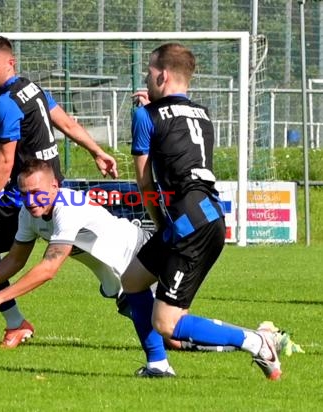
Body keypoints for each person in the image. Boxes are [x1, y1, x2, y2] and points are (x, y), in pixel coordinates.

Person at [0, 35, 118, 348]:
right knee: (60, 249)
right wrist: (97, 151)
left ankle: (10, 322)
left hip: (21, 195)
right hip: (50, 188)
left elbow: (5, 160)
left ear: (10, 61)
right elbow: (66, 122)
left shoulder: (5, 103)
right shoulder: (31, 88)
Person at [122, 42, 282, 379]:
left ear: (162, 75)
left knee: (167, 322)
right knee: (133, 282)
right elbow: (174, 126)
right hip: (206, 214)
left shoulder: (144, 116)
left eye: (150, 73)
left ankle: (257, 341)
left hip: (187, 224)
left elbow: (145, 184)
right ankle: (158, 365)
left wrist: (159, 224)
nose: (147, 79)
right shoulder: (203, 114)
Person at [0, 159, 149, 344]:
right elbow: (15, 260)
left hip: (144, 259)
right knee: (165, 335)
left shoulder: (68, 208)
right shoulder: (28, 214)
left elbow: (48, 269)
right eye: (24, 194)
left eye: (37, 193)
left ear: (54, 186)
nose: (30, 200)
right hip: (120, 281)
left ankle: (159, 368)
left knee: (167, 328)